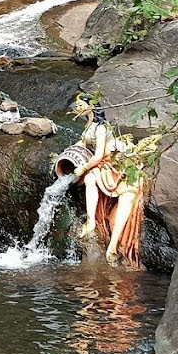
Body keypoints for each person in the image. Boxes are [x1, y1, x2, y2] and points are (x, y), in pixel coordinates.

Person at [66, 101, 154, 267]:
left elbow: (99, 156)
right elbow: (83, 143)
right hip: (103, 165)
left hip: (114, 164)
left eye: (80, 105)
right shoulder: (89, 125)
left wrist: (83, 167)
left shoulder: (101, 128)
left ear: (91, 106)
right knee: (90, 178)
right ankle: (91, 221)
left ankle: (113, 245)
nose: (77, 108)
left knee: (125, 192)